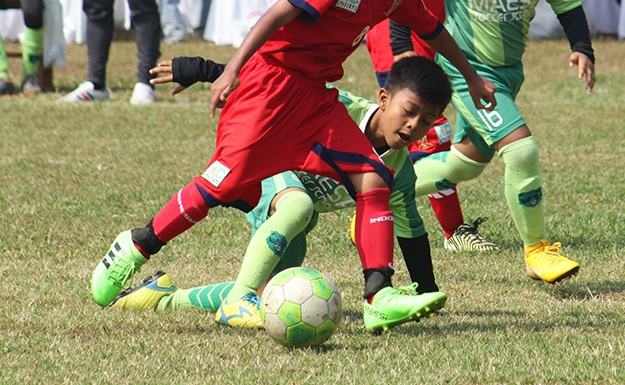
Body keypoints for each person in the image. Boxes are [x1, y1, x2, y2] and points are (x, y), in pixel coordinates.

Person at [87, 0, 496, 333]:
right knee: (218, 186)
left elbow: (433, 28)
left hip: (313, 97)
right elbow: (275, 16)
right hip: (267, 88)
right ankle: (136, 245)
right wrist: (229, 71)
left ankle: (379, 295)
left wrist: (472, 77)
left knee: (373, 175)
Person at [108, 55, 450, 320]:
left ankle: (163, 298)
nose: (413, 125)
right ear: (384, 98)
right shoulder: (338, 108)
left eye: (426, 120)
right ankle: (237, 304)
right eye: (409, 111)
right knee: (298, 206)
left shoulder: (400, 172)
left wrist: (425, 290)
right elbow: (272, 83)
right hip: (267, 176)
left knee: (277, 293)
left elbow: (411, 231)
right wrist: (203, 69)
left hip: (293, 220)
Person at [393, 0, 595, 283]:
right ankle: (537, 251)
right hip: (469, 73)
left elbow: (567, 3)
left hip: (508, 75)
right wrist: (399, 49)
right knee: (521, 150)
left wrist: (581, 48)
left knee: (463, 166)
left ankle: (378, 196)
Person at [364, 0, 499, 253]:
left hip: (443, 47)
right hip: (397, 44)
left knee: (435, 140)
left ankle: (375, 200)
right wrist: (402, 48)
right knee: (431, 135)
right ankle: (453, 231)